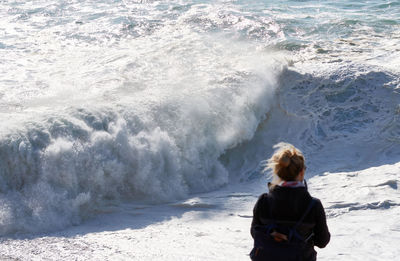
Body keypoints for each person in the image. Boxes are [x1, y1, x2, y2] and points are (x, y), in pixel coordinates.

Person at [250, 143, 330, 260]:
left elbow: (255, 233)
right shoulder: (313, 205)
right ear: (302, 172)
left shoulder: (264, 201)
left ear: (277, 172)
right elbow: (322, 242)